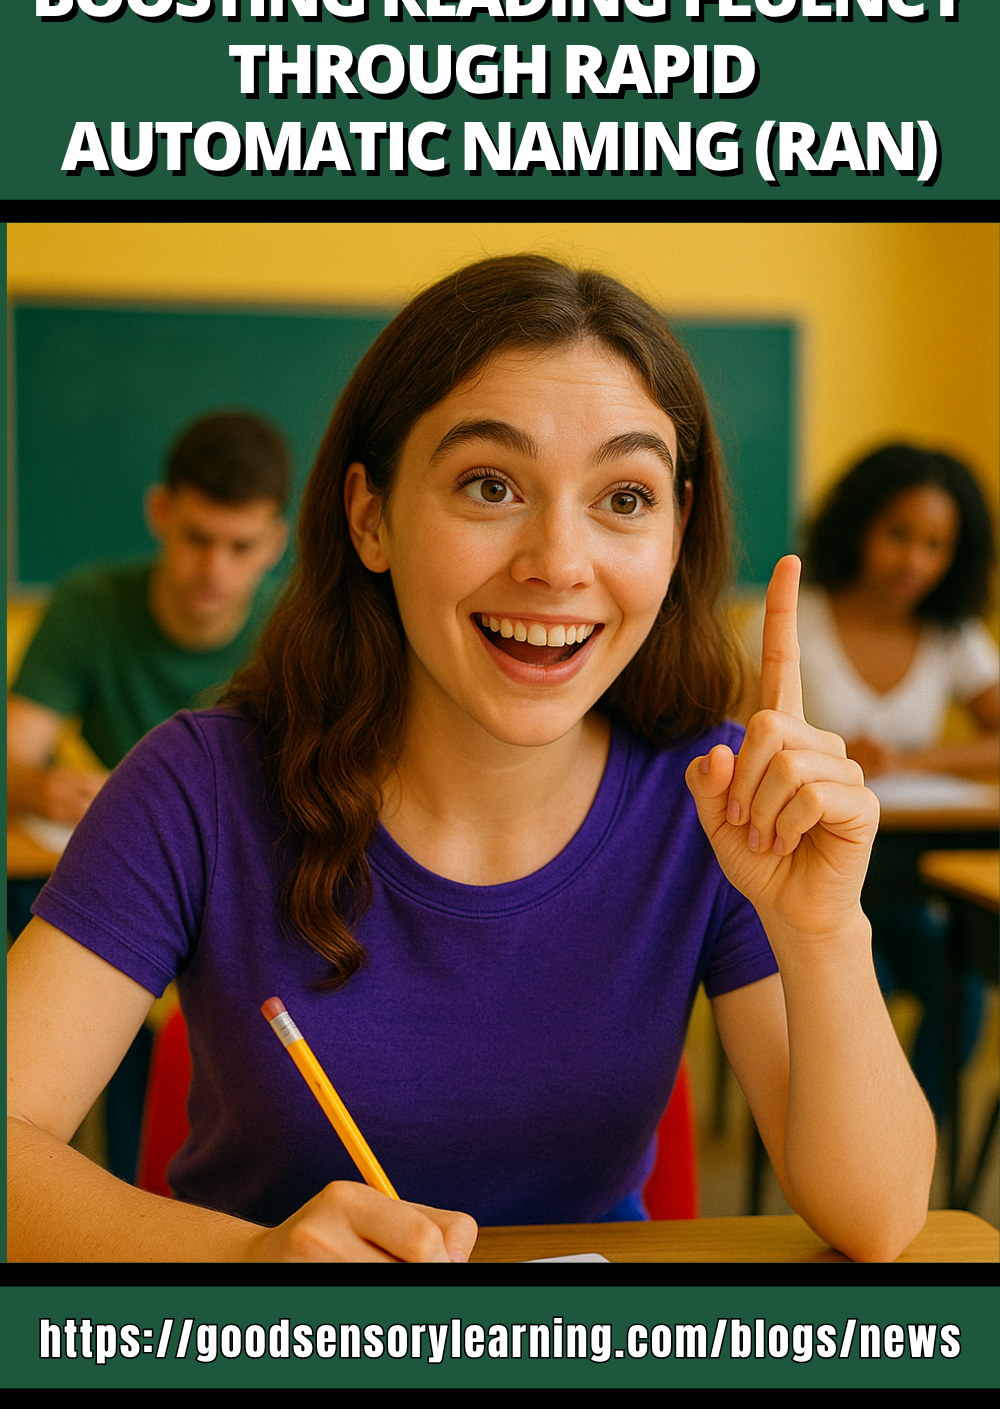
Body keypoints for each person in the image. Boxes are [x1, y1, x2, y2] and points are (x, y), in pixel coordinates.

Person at [8, 256, 935, 1264]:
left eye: (624, 497)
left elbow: (880, 1222)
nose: (558, 562)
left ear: (675, 536)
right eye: (490, 485)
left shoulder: (715, 796)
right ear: (371, 518)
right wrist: (247, 1266)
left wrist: (824, 929)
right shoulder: (197, 786)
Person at [7, 408, 292, 1179]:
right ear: (161, 513)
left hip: (232, 875)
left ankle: (146, 1171)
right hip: (109, 870)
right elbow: (13, 751)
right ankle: (54, 1159)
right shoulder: (92, 604)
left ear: (276, 542)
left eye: (242, 547)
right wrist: (43, 784)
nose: (217, 570)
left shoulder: (294, 634)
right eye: (199, 538)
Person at [739, 443, 999, 1120]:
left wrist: (911, 762)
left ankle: (916, 1139)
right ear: (857, 524)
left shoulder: (954, 635)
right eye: (899, 534)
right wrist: (829, 755)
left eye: (937, 544)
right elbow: (729, 739)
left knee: (961, 993)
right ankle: (860, 1134)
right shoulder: (793, 619)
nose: (916, 560)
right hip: (806, 880)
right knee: (862, 992)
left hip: (910, 882)